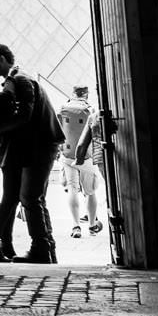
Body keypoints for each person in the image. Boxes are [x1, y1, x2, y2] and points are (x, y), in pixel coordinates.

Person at [0, 45, 64, 264]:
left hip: (38, 145)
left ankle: (37, 249)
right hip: (33, 146)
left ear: (2, 59)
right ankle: (42, 249)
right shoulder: (15, 80)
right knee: (29, 198)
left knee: (28, 197)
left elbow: (25, 116)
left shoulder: (19, 80)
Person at [57, 84, 106, 240]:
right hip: (87, 156)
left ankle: (75, 226)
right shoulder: (91, 109)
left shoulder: (63, 108)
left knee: (72, 190)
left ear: (73, 93)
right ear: (86, 94)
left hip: (67, 154)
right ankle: (92, 226)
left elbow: (58, 131)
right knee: (90, 192)